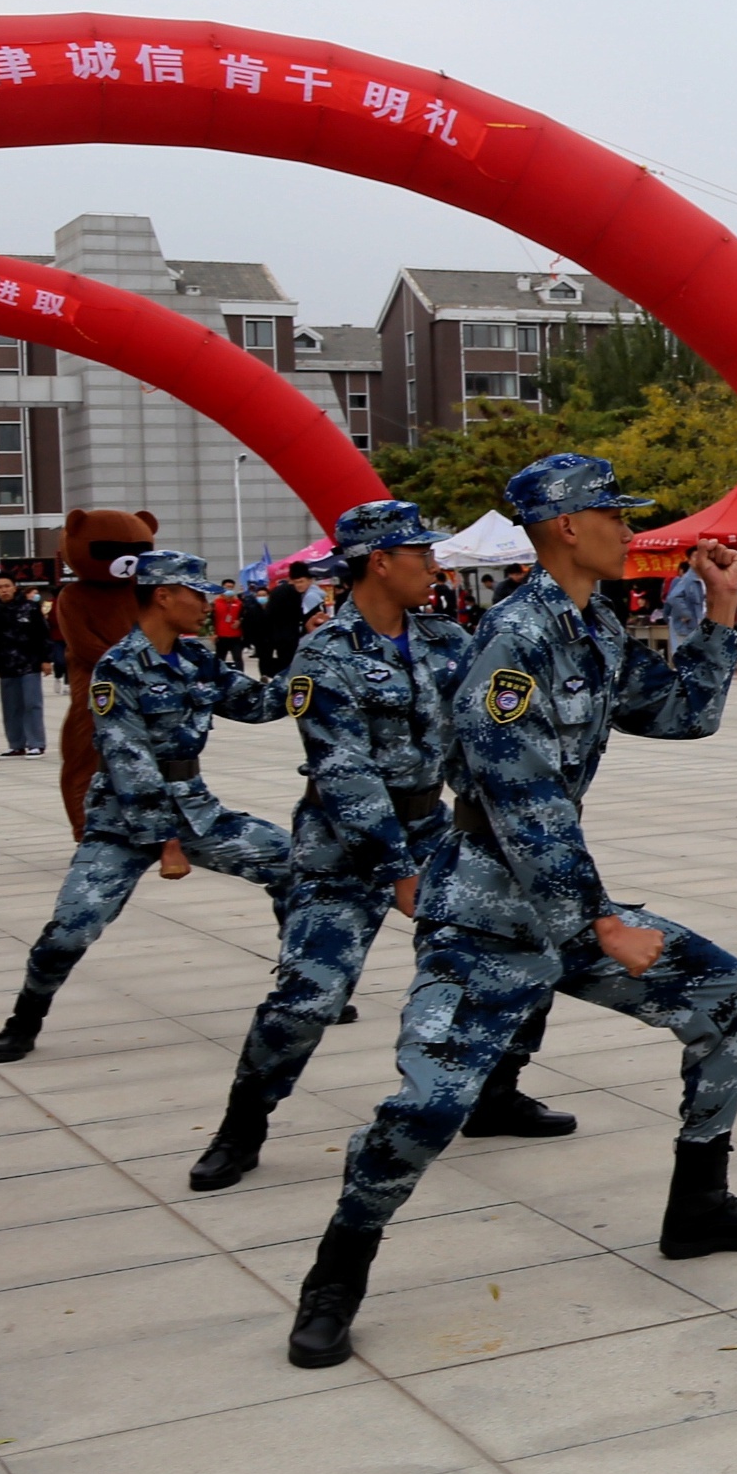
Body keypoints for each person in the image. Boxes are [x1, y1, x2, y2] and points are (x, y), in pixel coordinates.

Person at [283, 454, 737, 1373]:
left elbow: (683, 716)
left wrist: (720, 610)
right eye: (612, 512)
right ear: (565, 525)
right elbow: (521, 802)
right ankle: (334, 1275)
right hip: (487, 913)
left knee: (734, 1000)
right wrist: (598, 923)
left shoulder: (590, 623)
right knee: (428, 1109)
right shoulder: (515, 638)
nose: (627, 528)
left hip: (567, 902)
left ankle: (699, 1205)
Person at [188, 501, 490, 1194]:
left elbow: (477, 735)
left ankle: (495, 1097)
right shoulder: (325, 653)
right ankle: (242, 1128)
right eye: (420, 554)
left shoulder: (445, 638)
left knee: (498, 963)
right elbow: (344, 773)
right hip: (340, 844)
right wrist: (397, 873)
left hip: (431, 826)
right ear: (379, 562)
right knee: (309, 996)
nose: (433, 565)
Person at [0, 550, 290, 1059]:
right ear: (164, 596)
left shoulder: (195, 658)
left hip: (196, 809)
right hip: (122, 820)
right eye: (198, 596)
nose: (207, 605)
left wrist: (308, 677)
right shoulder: (118, 668)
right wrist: (166, 842)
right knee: (71, 929)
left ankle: (302, 990)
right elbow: (131, 764)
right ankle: (25, 1017)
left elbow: (256, 705)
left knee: (295, 865)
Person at [0, 574, 55, 760]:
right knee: (11, 707)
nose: (3, 590)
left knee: (32, 704)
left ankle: (36, 744)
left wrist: (46, 659)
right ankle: (16, 745)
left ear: (14, 587)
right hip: (6, 665)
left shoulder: (29, 608)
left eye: (7, 586)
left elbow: (43, 634)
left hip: (30, 662)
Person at [211, 582, 249, 671]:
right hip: (220, 636)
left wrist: (240, 621)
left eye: (231, 587)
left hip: (235, 637)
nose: (229, 589)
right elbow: (209, 619)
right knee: (220, 659)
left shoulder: (239, 603)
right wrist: (212, 633)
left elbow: (246, 617)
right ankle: (218, 678)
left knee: (238, 658)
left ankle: (241, 676)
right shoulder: (215, 603)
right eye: (227, 587)